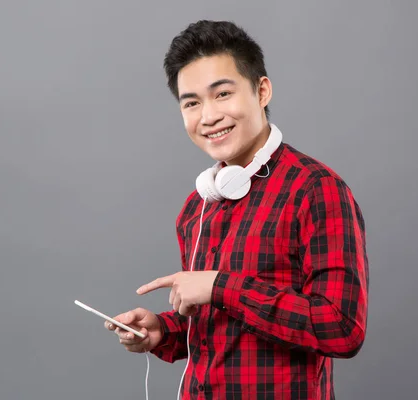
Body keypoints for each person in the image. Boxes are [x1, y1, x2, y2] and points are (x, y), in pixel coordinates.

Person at [105, 20, 369, 399]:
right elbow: (219, 329)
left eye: (222, 94)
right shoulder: (197, 207)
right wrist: (164, 332)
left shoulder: (315, 190)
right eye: (192, 102)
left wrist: (219, 285)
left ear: (261, 91)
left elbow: (342, 329)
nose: (208, 116)